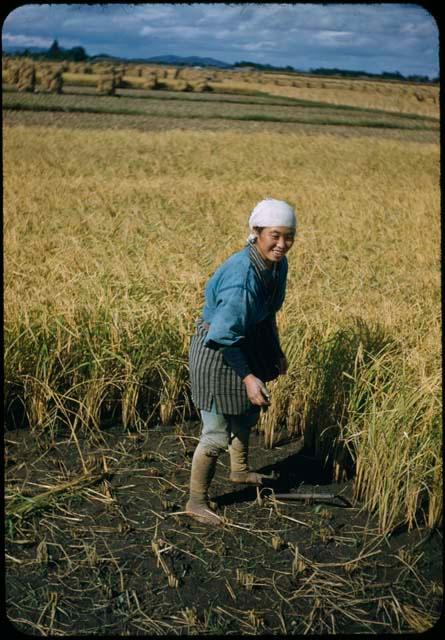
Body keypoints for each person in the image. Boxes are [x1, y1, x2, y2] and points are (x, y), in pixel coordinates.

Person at [185, 198, 297, 525]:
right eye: (275, 235)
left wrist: (275, 352)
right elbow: (222, 335)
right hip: (216, 349)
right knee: (217, 431)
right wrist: (248, 376)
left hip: (245, 341)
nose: (282, 244)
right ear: (257, 232)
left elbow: (267, 315)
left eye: (288, 236)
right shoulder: (242, 276)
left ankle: (240, 471)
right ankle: (196, 500)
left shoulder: (277, 265)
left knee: (247, 411)